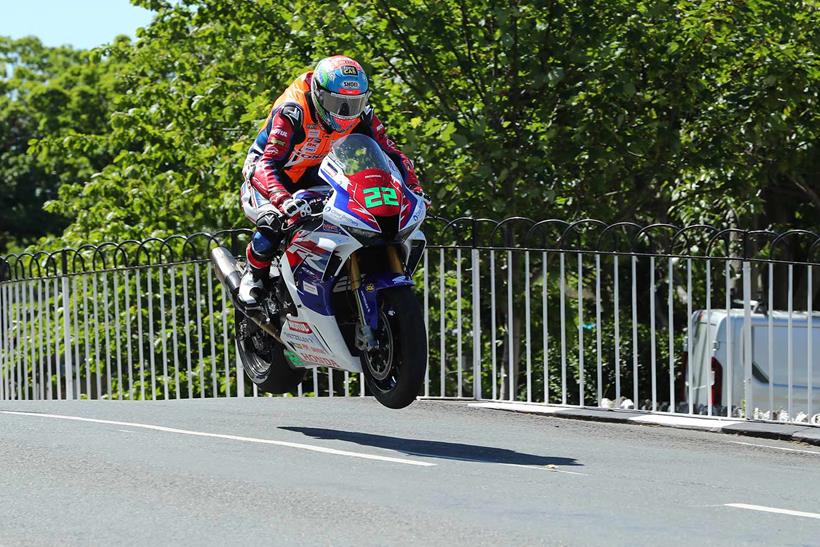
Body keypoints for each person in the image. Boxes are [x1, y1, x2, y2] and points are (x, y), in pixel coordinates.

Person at [238, 55, 427, 308]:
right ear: (318, 93)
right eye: (337, 103)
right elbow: (267, 162)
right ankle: (254, 274)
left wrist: (413, 188)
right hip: (269, 173)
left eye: (354, 103)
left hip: (314, 171)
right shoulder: (292, 111)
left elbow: (391, 151)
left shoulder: (362, 114)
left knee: (351, 212)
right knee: (274, 222)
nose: (345, 114)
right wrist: (282, 200)